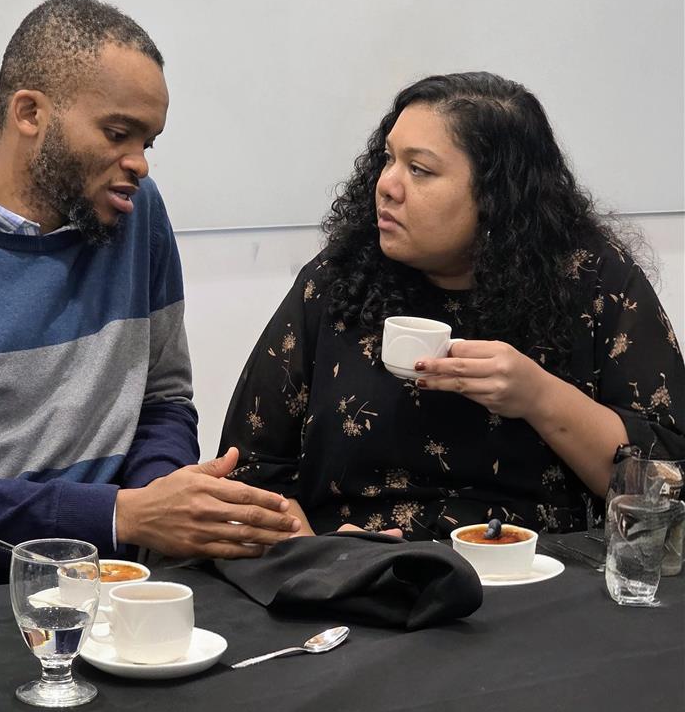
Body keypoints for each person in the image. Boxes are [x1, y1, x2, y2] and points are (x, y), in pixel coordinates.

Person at [0, 0, 300, 597]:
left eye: (148, 142)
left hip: (115, 581)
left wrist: (162, 501)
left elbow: (162, 398)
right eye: (118, 133)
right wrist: (119, 516)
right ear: (30, 113)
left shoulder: (134, 214)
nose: (140, 164)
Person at [219, 72, 685, 539]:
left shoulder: (592, 281)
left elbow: (667, 485)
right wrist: (306, 546)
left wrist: (539, 397)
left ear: (496, 196)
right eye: (388, 159)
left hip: (532, 569)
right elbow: (248, 465)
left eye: (419, 170)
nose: (387, 185)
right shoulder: (341, 278)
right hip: (349, 562)